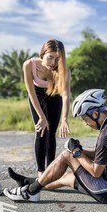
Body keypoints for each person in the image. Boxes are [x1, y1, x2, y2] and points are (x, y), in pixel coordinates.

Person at [4, 89, 107, 204]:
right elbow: (99, 155)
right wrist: (81, 150)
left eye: (85, 119)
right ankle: (29, 182)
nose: (86, 123)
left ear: (94, 114)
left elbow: (96, 172)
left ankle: (30, 193)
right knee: (65, 177)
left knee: (66, 155)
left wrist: (76, 152)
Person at [21, 39, 71, 178]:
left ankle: (51, 171)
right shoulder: (29, 65)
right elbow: (31, 92)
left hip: (55, 96)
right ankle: (41, 172)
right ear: (42, 54)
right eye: (50, 57)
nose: (53, 63)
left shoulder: (64, 70)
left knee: (51, 133)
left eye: (57, 59)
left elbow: (66, 94)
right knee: (42, 131)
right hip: (37, 96)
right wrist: (42, 117)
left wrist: (65, 119)